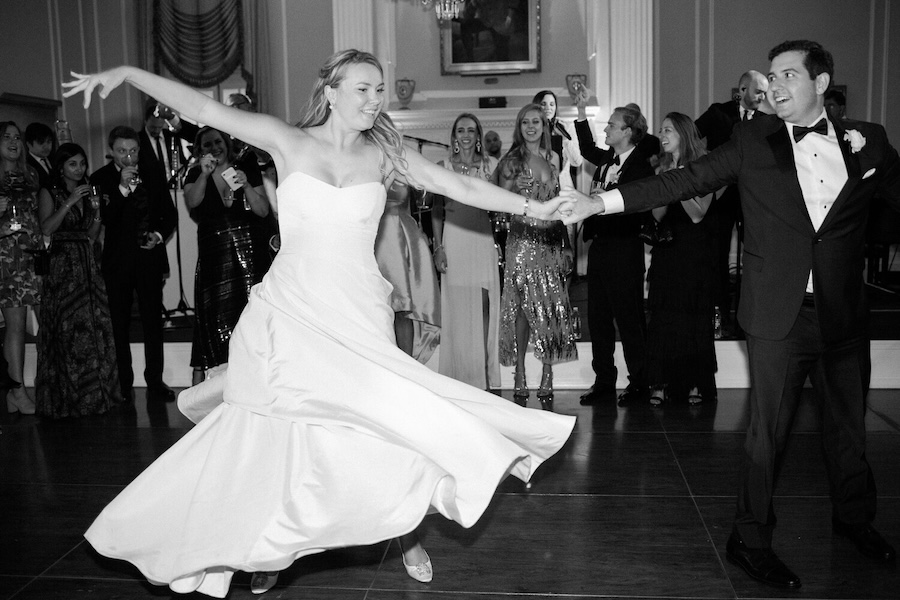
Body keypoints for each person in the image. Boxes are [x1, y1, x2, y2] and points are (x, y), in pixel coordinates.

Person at [64, 49, 574, 598]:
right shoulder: (286, 139)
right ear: (330, 91)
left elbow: (463, 189)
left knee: (381, 421)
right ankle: (270, 543)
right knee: (277, 428)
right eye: (363, 89)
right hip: (291, 309)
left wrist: (535, 209)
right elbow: (200, 108)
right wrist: (128, 74)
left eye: (380, 90)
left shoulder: (385, 154)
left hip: (357, 312)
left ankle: (403, 534)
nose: (375, 100)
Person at [560, 39, 899, 589]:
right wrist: (601, 202)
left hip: (843, 313)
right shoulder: (751, 140)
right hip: (777, 314)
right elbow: (681, 181)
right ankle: (749, 538)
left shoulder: (869, 142)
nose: (775, 84)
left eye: (789, 74)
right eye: (771, 75)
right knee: (768, 434)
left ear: (820, 82)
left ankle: (854, 519)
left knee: (848, 430)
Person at [572, 101, 655, 406]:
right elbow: (586, 148)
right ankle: (604, 380)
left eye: (611, 125)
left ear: (628, 131)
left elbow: (636, 209)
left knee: (629, 318)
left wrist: (601, 200)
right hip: (600, 248)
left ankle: (640, 383)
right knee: (598, 318)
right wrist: (581, 114)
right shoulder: (608, 159)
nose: (606, 129)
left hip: (624, 249)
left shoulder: (641, 166)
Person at [496, 103, 577, 410]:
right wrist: (519, 195)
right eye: (526, 122)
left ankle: (546, 372)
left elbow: (557, 204)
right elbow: (499, 202)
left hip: (550, 240)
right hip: (521, 239)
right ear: (520, 127)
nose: (531, 126)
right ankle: (519, 371)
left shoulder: (553, 158)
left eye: (537, 121)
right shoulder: (512, 160)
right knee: (521, 307)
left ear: (545, 126)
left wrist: (566, 244)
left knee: (549, 307)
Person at [90, 125, 178, 402]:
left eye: (133, 151)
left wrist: (159, 235)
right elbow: (105, 218)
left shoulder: (153, 173)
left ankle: (155, 381)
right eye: (121, 151)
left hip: (149, 259)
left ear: (139, 149)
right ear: (111, 151)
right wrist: (121, 189)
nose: (128, 157)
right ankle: (124, 384)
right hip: (117, 262)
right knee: (119, 323)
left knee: (153, 322)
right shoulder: (101, 178)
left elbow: (169, 215)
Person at [35, 143, 121, 418]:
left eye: (82, 163)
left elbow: (92, 234)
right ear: (60, 167)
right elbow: (46, 228)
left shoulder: (89, 192)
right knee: (67, 332)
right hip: (62, 267)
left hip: (86, 263)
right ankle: (67, 399)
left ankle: (95, 396)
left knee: (93, 330)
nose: (79, 169)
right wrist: (70, 201)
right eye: (73, 164)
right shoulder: (50, 192)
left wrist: (96, 211)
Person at [184, 127, 272, 384]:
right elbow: (193, 201)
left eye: (218, 141)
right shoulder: (195, 173)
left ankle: (255, 380)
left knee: (249, 313)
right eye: (207, 143)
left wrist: (246, 184)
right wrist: (204, 174)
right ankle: (216, 383)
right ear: (200, 149)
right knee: (215, 317)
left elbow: (263, 210)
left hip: (249, 254)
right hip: (215, 258)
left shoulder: (245, 169)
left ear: (227, 144)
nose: (214, 147)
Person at [643, 113, 720, 407]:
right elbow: (657, 215)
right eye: (660, 130)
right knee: (663, 316)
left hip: (694, 253)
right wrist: (665, 183)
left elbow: (698, 214)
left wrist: (676, 181)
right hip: (667, 252)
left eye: (668, 130)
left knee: (692, 318)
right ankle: (661, 383)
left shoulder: (704, 169)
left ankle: (694, 383)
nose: (661, 135)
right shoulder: (662, 168)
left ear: (683, 134)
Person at [695, 70, 769, 336]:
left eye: (765, 91)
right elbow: (691, 134)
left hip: (754, 198)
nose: (763, 96)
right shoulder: (719, 112)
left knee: (757, 256)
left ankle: (750, 319)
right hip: (721, 196)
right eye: (758, 91)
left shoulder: (766, 121)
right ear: (742, 90)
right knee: (717, 257)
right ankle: (719, 319)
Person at [431, 113, 501, 390]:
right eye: (461, 130)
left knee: (484, 305)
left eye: (471, 130)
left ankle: (483, 373)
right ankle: (460, 377)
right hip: (454, 241)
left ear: (478, 135)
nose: (466, 134)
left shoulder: (492, 166)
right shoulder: (443, 166)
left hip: (482, 239)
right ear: (454, 136)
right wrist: (438, 247)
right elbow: (436, 210)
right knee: (458, 309)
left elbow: (500, 204)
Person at [0, 121, 43, 415]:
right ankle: (16, 390)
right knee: (15, 326)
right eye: (7, 137)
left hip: (32, 253)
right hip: (5, 256)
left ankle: (46, 384)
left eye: (18, 137)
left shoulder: (31, 174)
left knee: (43, 322)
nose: (14, 142)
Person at [374, 178, 440, 362]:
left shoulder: (404, 162)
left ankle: (407, 369)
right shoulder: (363, 157)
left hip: (400, 236)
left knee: (403, 307)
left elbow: (424, 201)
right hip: (372, 235)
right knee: (375, 308)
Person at [532, 89, 583, 188]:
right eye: (543, 104)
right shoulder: (531, 129)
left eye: (552, 104)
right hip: (538, 189)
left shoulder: (566, 127)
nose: (548, 108)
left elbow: (577, 162)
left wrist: (565, 139)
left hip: (563, 187)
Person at [24, 122, 56, 191]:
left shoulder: (54, 159)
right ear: (29, 144)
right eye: (41, 142)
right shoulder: (25, 165)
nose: (46, 146)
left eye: (49, 141)